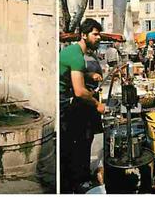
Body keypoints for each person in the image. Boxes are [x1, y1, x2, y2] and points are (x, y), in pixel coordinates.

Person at [59, 18, 105, 193]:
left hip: (66, 99)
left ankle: (74, 178)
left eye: (99, 33)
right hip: (64, 103)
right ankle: (77, 183)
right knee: (79, 141)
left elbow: (74, 73)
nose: (98, 37)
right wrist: (97, 104)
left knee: (75, 141)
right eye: (95, 34)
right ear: (84, 35)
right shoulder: (77, 56)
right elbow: (79, 91)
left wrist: (89, 74)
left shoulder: (72, 51)